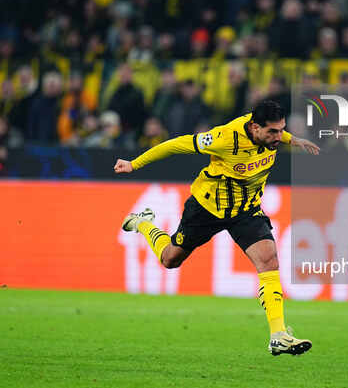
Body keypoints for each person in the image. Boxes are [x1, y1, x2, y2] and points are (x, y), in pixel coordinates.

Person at [114, 100, 319, 356]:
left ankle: (278, 335)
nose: (279, 137)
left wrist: (293, 139)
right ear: (255, 127)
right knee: (170, 260)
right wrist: (135, 164)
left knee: (269, 261)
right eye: (273, 132)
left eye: (282, 130)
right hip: (207, 208)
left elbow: (279, 134)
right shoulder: (224, 138)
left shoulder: (271, 135)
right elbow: (176, 145)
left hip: (246, 210)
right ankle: (142, 222)